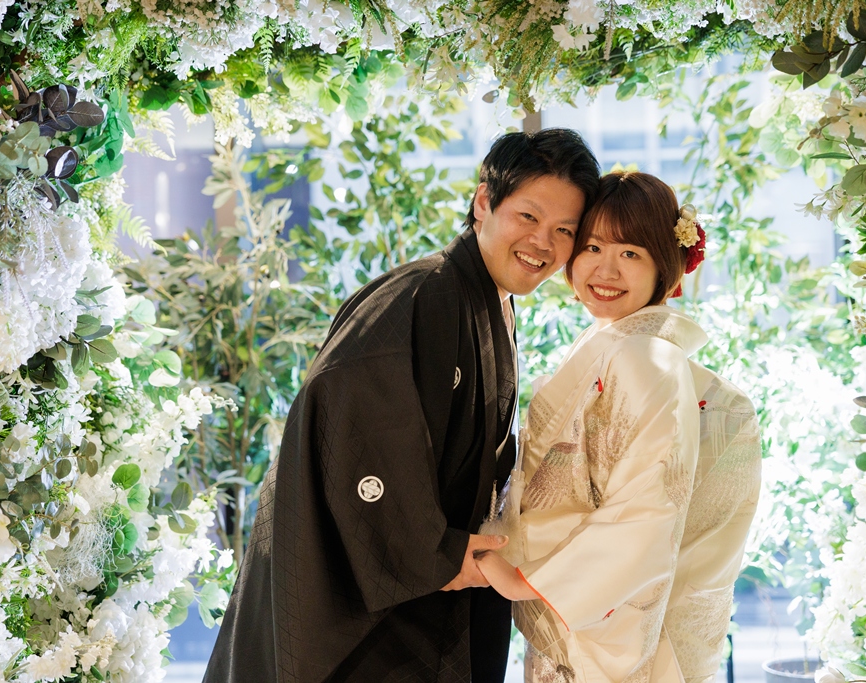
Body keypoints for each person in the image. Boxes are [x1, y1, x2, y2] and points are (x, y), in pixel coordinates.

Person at [202, 129, 602, 683]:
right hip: (381, 609)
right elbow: (354, 419)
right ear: (483, 202)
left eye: (565, 231)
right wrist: (431, 550)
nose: (543, 243)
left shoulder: (491, 302)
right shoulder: (422, 295)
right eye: (528, 217)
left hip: (433, 597)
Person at [476, 171, 762, 681]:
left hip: (592, 616)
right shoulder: (619, 344)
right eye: (592, 247)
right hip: (580, 612)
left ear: (664, 266)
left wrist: (528, 581)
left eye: (631, 253)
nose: (605, 270)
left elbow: (650, 503)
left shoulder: (646, 357)